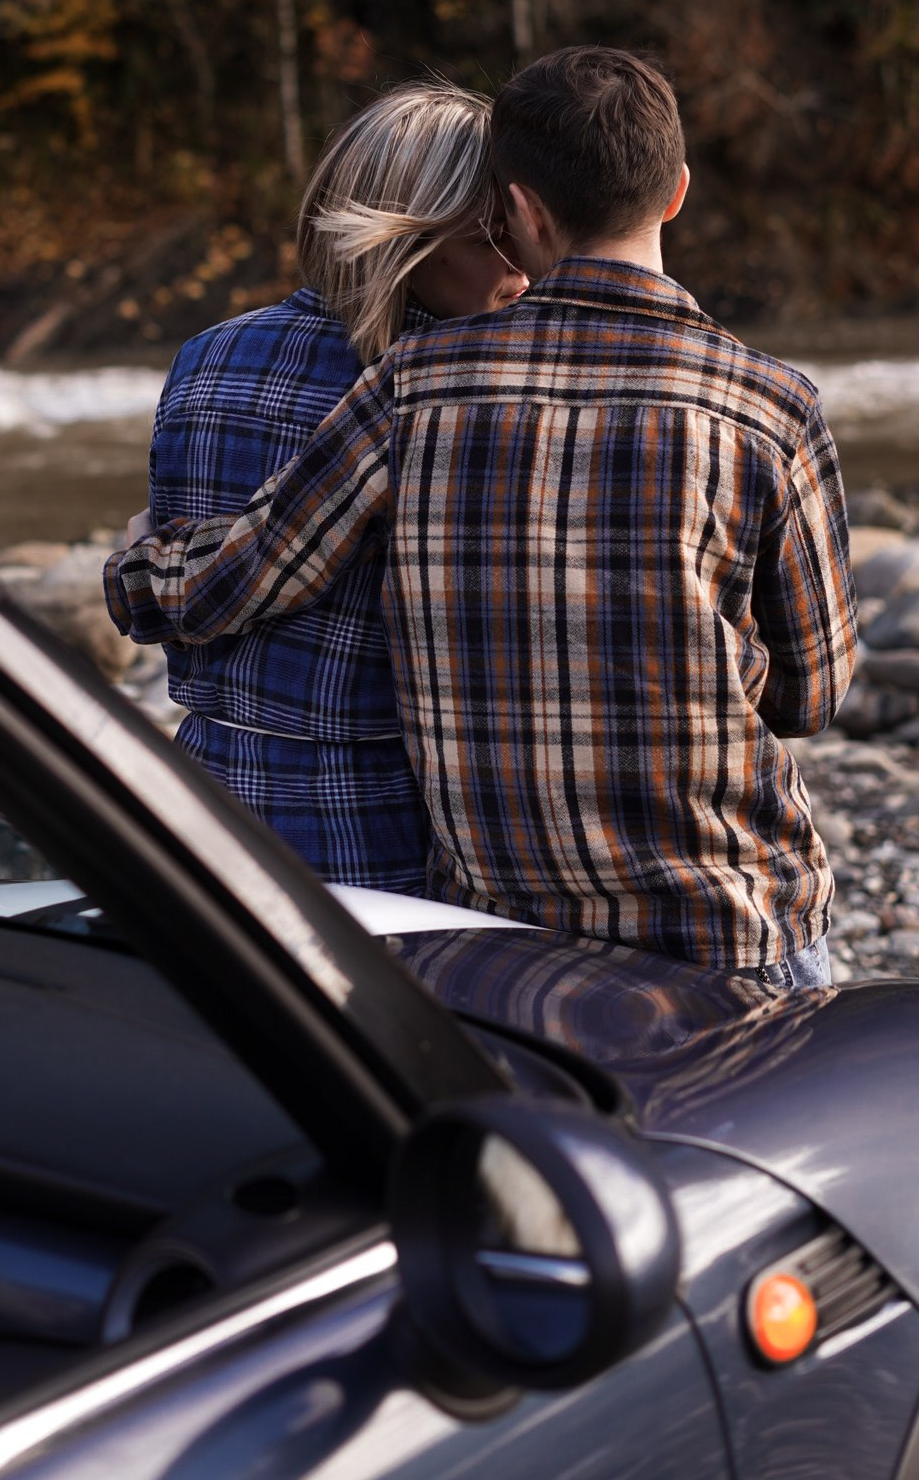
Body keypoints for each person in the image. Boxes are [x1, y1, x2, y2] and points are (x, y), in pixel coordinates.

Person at [107, 47, 856, 986]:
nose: (514, 271)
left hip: (269, 840)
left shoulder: (286, 368)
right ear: (675, 195)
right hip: (607, 897)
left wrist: (137, 563)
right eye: (488, 239)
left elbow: (230, 577)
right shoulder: (754, 402)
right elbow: (809, 695)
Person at [136, 80, 526, 893]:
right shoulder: (456, 393)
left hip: (200, 807)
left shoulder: (204, 354)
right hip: (380, 837)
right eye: (492, 238)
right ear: (408, 240)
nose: (521, 272)